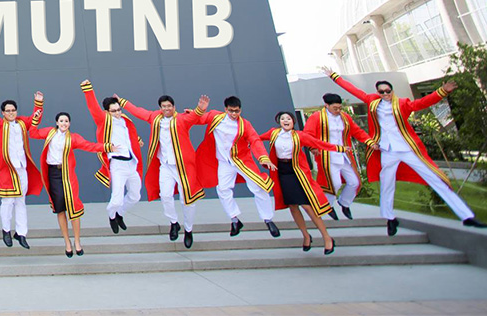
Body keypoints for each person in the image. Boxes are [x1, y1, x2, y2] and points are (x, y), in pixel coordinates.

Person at [322, 67, 487, 233]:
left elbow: (422, 103)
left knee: (435, 178)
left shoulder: (402, 103)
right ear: (378, 92)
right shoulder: (373, 102)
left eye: (388, 91)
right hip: (387, 150)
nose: (385, 94)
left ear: (392, 91)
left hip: (407, 149)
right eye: (382, 92)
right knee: (386, 183)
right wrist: (334, 76)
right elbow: (353, 89)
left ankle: (466, 216)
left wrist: (442, 91)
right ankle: (389, 218)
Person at [119, 93, 209, 248]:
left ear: (174, 107)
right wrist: (122, 102)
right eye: (164, 106)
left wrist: (200, 109)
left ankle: (188, 230)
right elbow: (138, 111)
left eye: (169, 106)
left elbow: (194, 117)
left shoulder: (182, 119)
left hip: (183, 167)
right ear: (160, 108)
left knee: (188, 200)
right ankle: (174, 223)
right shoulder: (155, 118)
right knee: (165, 195)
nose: (166, 109)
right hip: (165, 165)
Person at [30, 96, 115, 257]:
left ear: (69, 123)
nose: (64, 123)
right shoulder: (50, 133)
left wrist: (106, 146)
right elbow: (33, 133)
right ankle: (67, 242)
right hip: (53, 174)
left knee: (73, 207)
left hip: (67, 175)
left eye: (66, 121)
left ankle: (77, 241)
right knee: (60, 208)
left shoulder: (73, 138)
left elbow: (89, 146)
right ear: (57, 122)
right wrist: (36, 116)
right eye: (61, 121)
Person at [195, 96, 281, 238]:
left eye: (237, 111)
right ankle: (234, 219)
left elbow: (255, 140)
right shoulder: (215, 117)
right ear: (225, 109)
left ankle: (268, 219)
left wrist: (264, 158)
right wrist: (199, 110)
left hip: (242, 160)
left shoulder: (244, 125)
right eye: (231, 111)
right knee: (223, 189)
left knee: (259, 186)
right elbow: (198, 119)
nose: (234, 114)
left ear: (240, 110)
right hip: (224, 162)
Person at [261, 111, 342, 254]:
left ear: (293, 121)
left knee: (307, 206)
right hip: (282, 172)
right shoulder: (274, 133)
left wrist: (339, 148)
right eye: (282, 119)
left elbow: (318, 143)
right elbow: (256, 138)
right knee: (292, 206)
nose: (285, 121)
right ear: (279, 122)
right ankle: (306, 235)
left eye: (288, 118)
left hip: (297, 172)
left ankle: (327, 237)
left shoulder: (300, 135)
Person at [0, 86, 43, 249]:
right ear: (2, 112)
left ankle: (21, 233)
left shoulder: (21, 123)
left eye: (13, 110)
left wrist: (38, 103)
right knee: (8, 201)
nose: (11, 113)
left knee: (21, 201)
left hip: (21, 167)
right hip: (6, 168)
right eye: (8, 111)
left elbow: (35, 118)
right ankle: (6, 230)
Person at [80, 80, 143, 233]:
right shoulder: (104, 120)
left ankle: (120, 214)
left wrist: (137, 140)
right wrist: (88, 90)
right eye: (114, 111)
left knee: (135, 196)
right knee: (116, 199)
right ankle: (112, 215)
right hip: (117, 164)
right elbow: (93, 108)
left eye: (119, 109)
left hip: (131, 163)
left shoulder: (125, 121)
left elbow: (129, 135)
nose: (117, 113)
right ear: (107, 112)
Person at [303, 92, 374, 220]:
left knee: (354, 182)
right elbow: (307, 134)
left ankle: (344, 203)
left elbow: (357, 131)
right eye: (335, 108)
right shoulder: (316, 117)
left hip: (344, 155)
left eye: (339, 108)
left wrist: (370, 142)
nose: (338, 110)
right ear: (326, 105)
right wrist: (312, 148)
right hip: (327, 156)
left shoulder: (345, 117)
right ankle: (328, 206)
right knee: (334, 184)